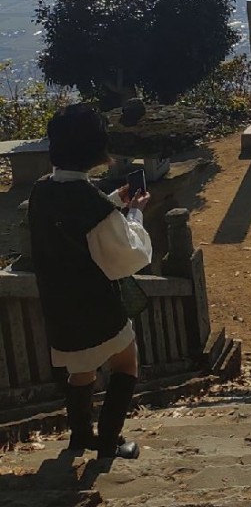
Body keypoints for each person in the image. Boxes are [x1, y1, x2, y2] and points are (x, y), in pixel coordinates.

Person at [28, 103, 152, 460]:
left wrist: (113, 203)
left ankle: (80, 436)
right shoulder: (90, 202)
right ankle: (110, 440)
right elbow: (125, 256)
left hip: (58, 306)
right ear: (98, 151)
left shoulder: (41, 190)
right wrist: (136, 212)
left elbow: (74, 225)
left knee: (80, 368)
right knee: (125, 362)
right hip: (96, 305)